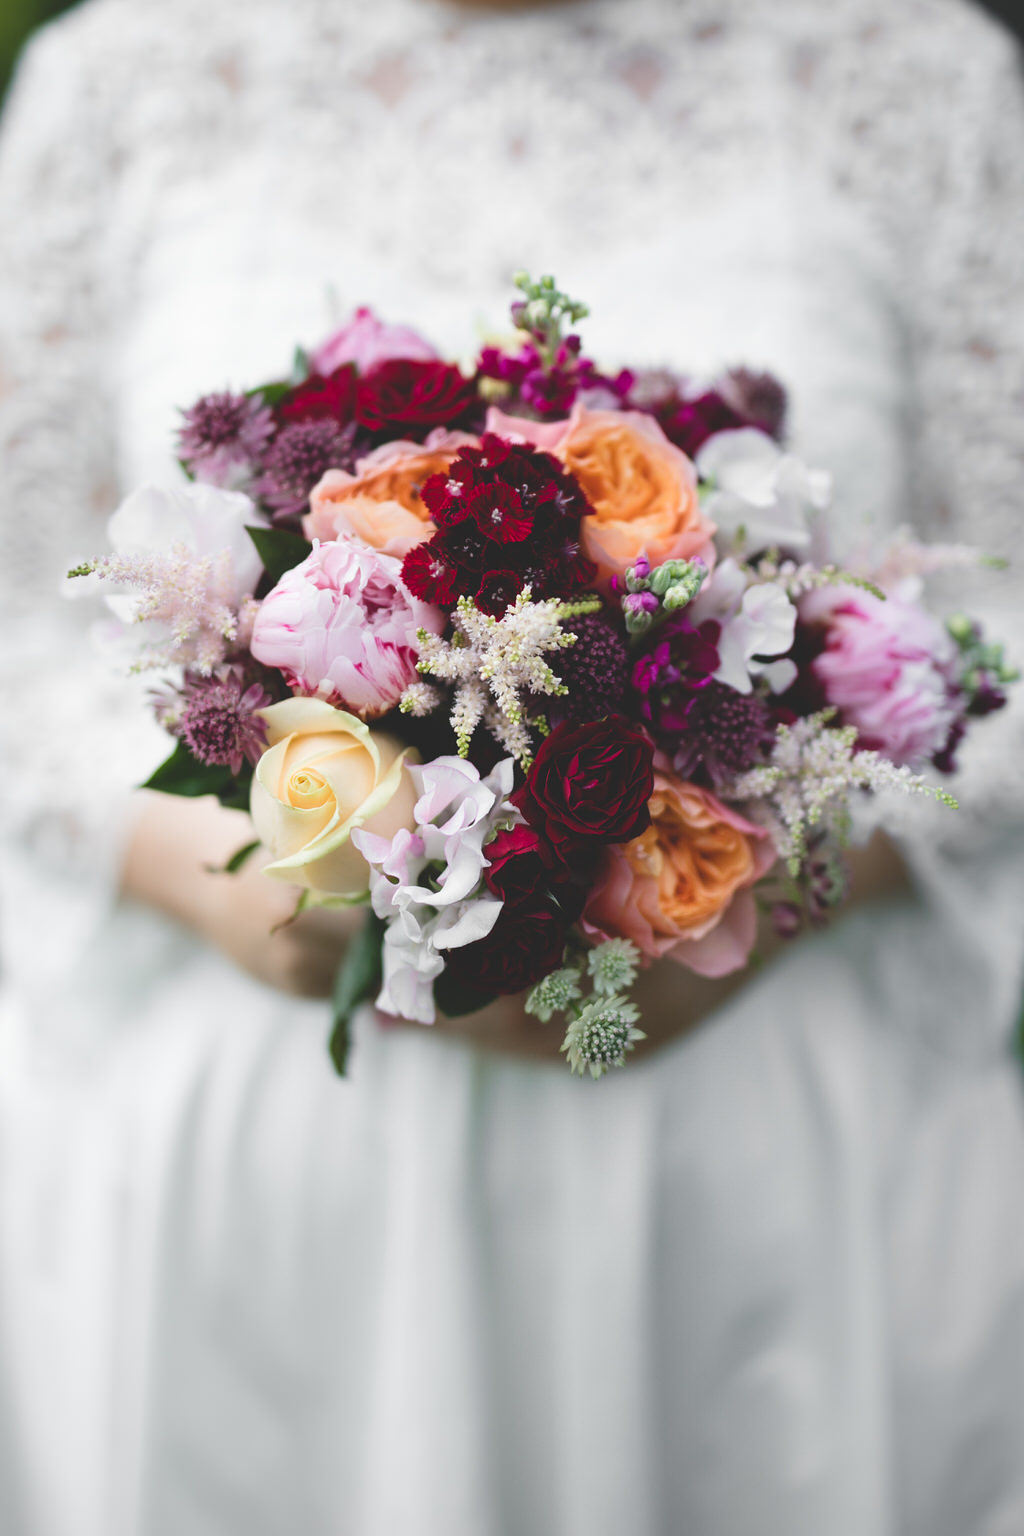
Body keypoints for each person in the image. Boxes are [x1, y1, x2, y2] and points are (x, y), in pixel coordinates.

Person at [2, 0, 1024, 1531]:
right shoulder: (121, 78)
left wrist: (749, 886)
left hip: (764, 1151)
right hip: (261, 1165)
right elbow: (23, 620)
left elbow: (999, 615)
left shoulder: (918, 70)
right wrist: (236, 888)